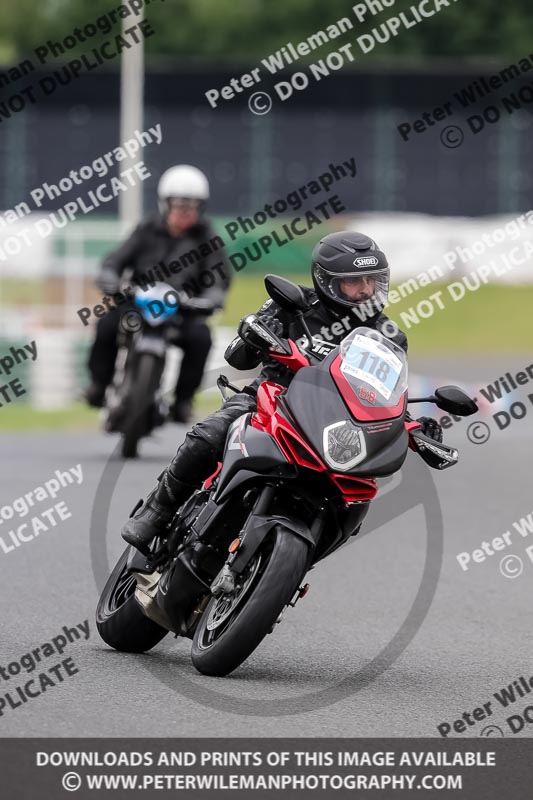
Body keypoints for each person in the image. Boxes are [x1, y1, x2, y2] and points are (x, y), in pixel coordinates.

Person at [122, 230, 443, 554]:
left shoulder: (387, 336)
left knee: (355, 495)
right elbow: (237, 357)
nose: (365, 290)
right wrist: (255, 336)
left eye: (371, 281)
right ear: (327, 282)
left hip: (335, 424)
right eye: (353, 282)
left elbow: (386, 395)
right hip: (269, 400)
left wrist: (413, 425)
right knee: (209, 435)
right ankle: (157, 510)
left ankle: (297, 553)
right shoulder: (292, 304)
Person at [85, 164, 231, 423]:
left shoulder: (208, 239)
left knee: (201, 338)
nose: (185, 212)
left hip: (183, 310)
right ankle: (99, 386)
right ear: (165, 204)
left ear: (201, 208)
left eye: (191, 207)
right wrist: (110, 278)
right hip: (137, 304)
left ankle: (183, 401)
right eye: (179, 205)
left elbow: (218, 278)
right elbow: (115, 261)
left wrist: (211, 298)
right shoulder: (147, 229)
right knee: (106, 325)